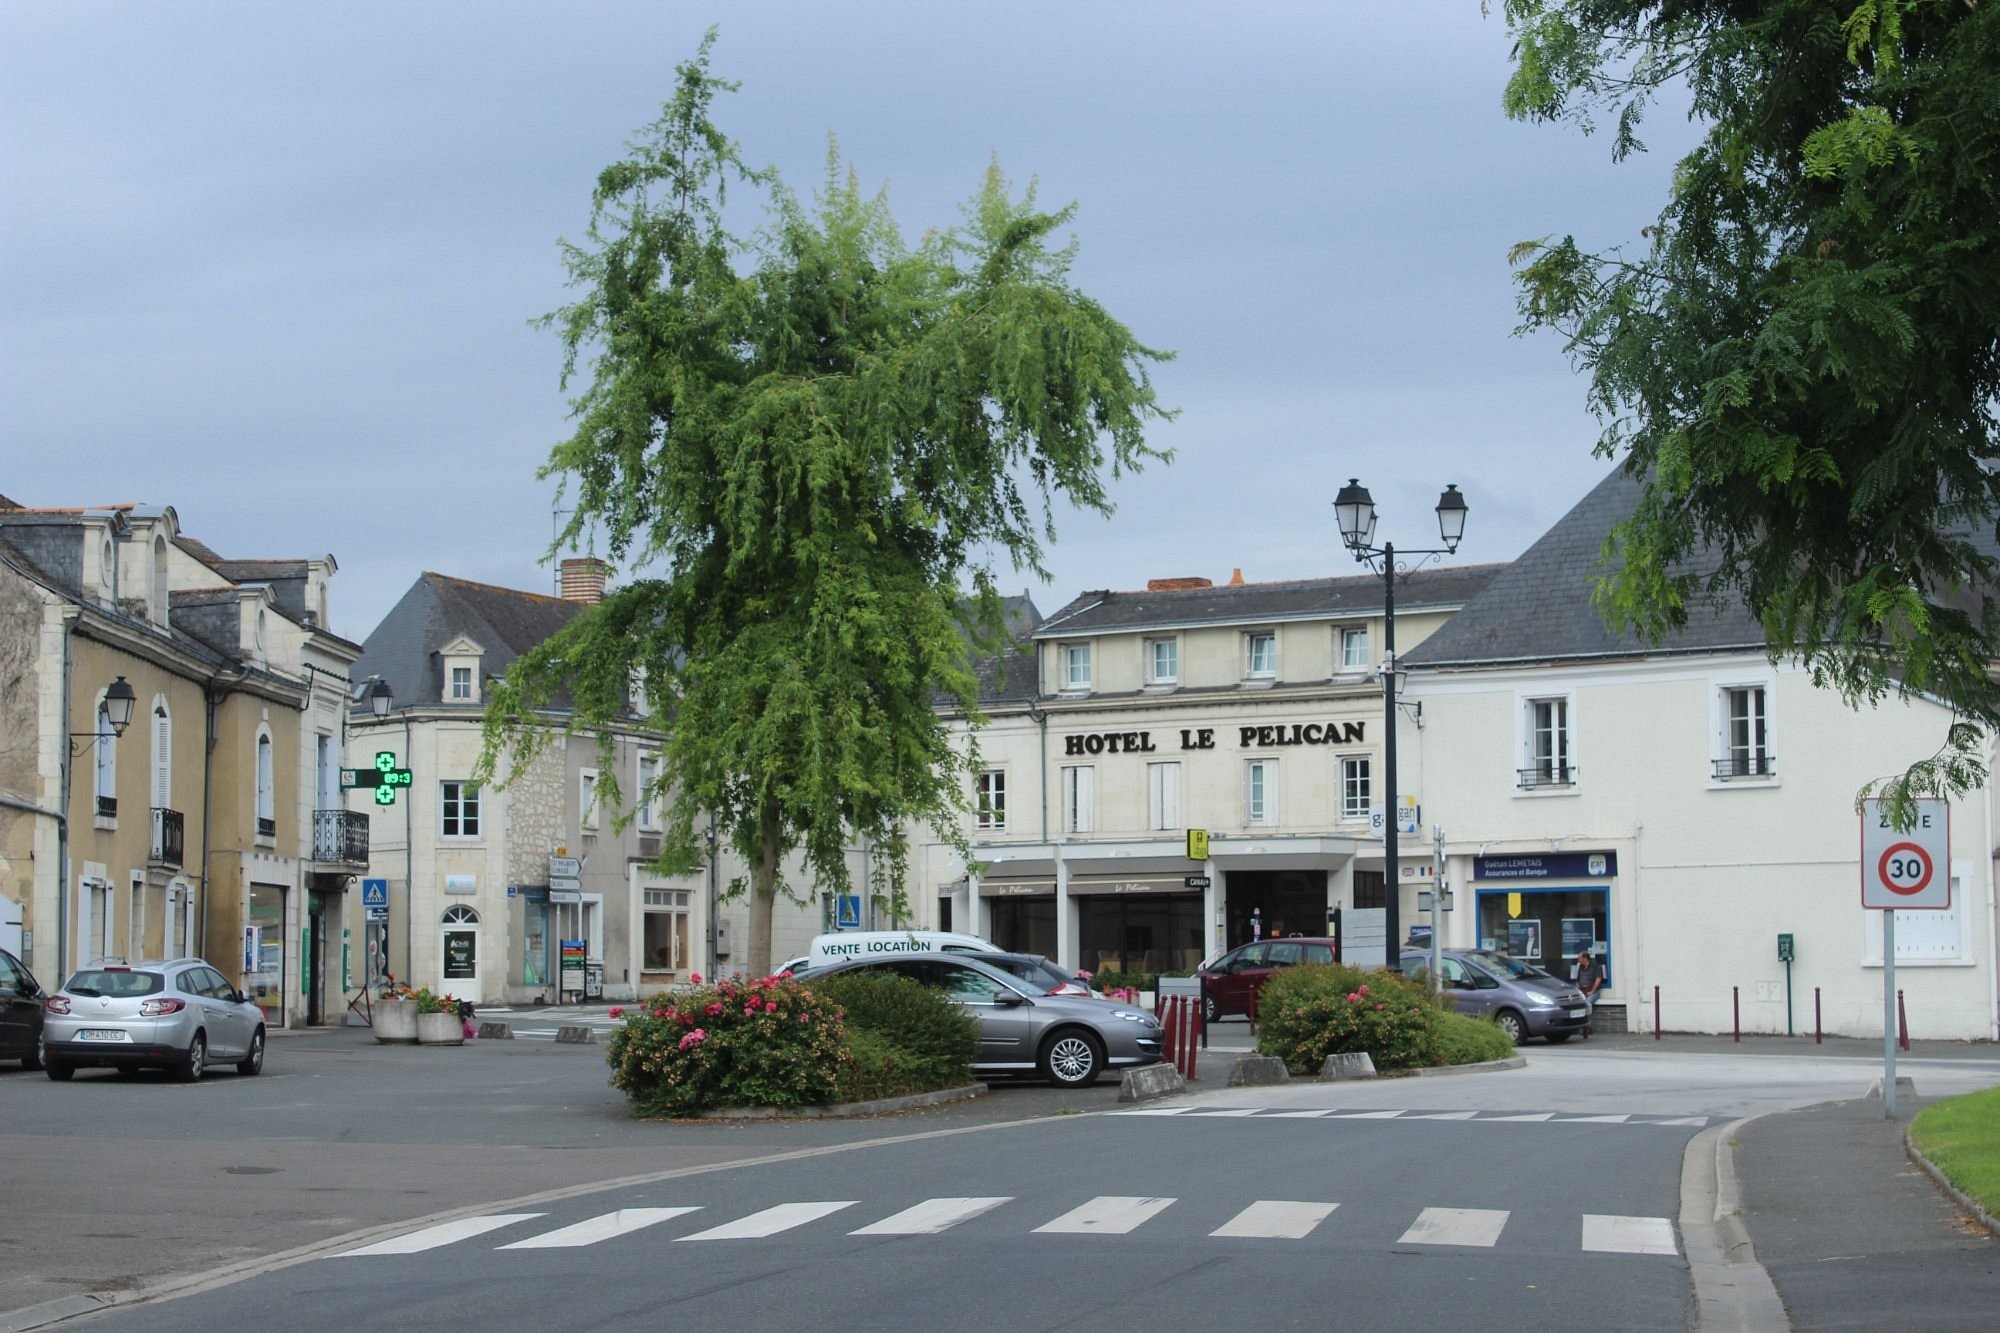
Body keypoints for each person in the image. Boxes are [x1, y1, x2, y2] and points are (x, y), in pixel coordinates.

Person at [1574, 946, 1604, 1038]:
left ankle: (1587, 1026)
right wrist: (1578, 991)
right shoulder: (1580, 967)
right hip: (1582, 991)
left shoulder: (1594, 964)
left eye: (1579, 958)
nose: (1578, 960)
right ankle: (1578, 1026)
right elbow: (1578, 980)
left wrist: (1592, 991)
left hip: (1593, 991)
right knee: (1576, 1004)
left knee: (1587, 1003)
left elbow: (1599, 978)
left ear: (1585, 958)